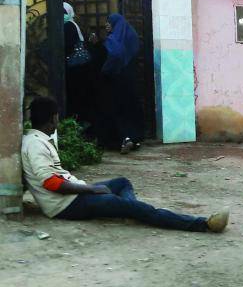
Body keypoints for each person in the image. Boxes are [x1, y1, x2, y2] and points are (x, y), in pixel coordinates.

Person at [22, 97, 229, 232]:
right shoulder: (36, 145)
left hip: (74, 198)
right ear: (52, 120)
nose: (58, 123)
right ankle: (203, 224)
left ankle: (130, 211)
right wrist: (91, 189)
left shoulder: (38, 139)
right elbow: (50, 183)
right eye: (57, 118)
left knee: (122, 183)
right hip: (66, 206)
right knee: (134, 206)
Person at [101, 13, 143, 153]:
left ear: (115, 23)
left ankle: (124, 138)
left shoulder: (113, 39)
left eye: (109, 22)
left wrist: (105, 69)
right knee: (131, 108)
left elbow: (115, 55)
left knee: (118, 109)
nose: (106, 24)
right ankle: (135, 138)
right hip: (131, 78)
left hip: (117, 78)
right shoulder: (132, 35)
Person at [63, 2, 95, 126]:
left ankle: (79, 124)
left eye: (64, 13)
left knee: (76, 97)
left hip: (76, 68)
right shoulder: (71, 24)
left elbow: (68, 45)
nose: (62, 15)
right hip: (80, 67)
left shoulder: (69, 26)